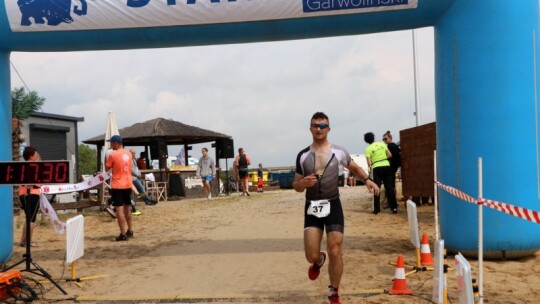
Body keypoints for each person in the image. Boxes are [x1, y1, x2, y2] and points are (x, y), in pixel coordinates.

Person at [293, 112, 379, 304]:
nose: (318, 129)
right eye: (315, 125)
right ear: (310, 129)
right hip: (312, 206)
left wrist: (367, 180)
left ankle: (334, 291)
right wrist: (302, 184)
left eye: (322, 126)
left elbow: (355, 168)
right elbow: (296, 185)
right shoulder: (303, 155)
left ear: (329, 129)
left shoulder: (338, 152)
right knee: (311, 255)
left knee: (335, 249)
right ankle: (318, 260)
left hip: (333, 204)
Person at [105, 135, 134, 241]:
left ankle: (122, 234)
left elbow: (107, 168)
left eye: (111, 143)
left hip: (117, 185)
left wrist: (106, 158)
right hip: (128, 184)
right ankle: (130, 230)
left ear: (116, 143)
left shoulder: (113, 154)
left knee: (119, 210)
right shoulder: (129, 154)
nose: (111, 145)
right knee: (128, 209)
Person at [364, 132, 398, 214]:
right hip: (386, 165)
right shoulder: (382, 144)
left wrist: (375, 161)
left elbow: (369, 164)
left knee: (376, 187)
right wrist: (383, 159)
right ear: (373, 137)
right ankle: (394, 208)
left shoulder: (368, 149)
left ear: (366, 141)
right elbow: (390, 155)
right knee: (389, 187)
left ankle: (376, 209)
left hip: (376, 168)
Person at [18, 146, 42, 247]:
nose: (37, 156)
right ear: (31, 156)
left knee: (28, 218)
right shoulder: (34, 166)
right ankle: (29, 241)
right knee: (32, 219)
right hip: (33, 194)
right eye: (35, 154)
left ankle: (23, 241)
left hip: (23, 194)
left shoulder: (22, 166)